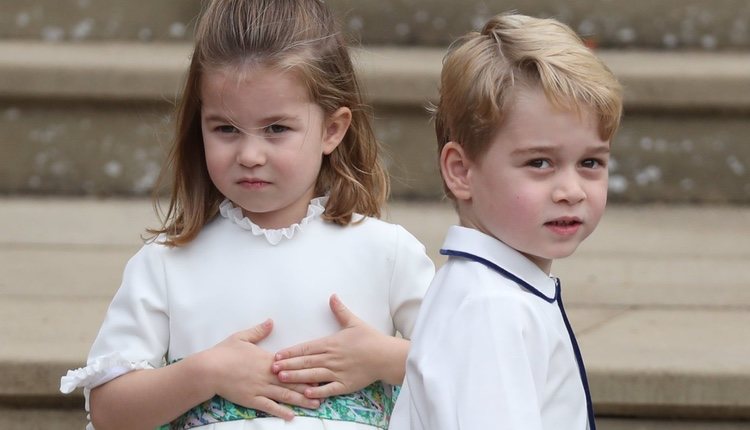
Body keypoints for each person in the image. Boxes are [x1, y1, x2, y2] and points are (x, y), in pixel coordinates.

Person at [59, 0, 435, 429]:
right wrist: (206, 373)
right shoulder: (166, 264)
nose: (250, 155)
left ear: (332, 130)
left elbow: (468, 367)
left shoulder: (386, 253)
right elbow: (110, 413)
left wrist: (385, 358)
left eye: (277, 129)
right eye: (225, 129)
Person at [389, 12, 623, 430]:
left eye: (590, 162)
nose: (571, 189)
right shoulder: (492, 307)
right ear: (461, 171)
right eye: (539, 163)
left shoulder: (494, 288)